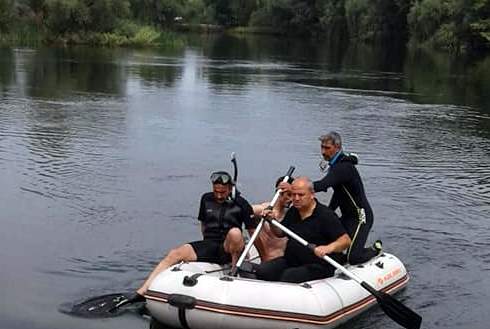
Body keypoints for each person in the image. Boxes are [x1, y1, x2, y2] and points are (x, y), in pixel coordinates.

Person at [135, 171, 254, 298]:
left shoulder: (242, 204)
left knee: (235, 233)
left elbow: (252, 231)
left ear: (230, 189)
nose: (219, 196)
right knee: (174, 253)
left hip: (229, 248)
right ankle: (143, 290)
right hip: (210, 244)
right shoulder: (206, 199)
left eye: (223, 192)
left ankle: (234, 274)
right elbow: (203, 224)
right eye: (216, 192)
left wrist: (247, 253)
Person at [256, 177, 351, 283]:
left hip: (319, 264)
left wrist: (328, 248)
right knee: (263, 270)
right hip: (292, 260)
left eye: (301, 195)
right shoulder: (294, 211)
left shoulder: (325, 215)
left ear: (312, 194)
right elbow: (280, 233)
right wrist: (271, 221)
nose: (296, 198)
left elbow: (345, 240)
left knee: (288, 276)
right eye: (293, 194)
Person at [313, 131, 381, 264]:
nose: (323, 151)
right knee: (324, 238)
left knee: (353, 258)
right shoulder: (336, 164)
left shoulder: (343, 167)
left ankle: (375, 249)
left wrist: (295, 186)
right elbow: (339, 193)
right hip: (347, 217)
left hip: (361, 217)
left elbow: (322, 185)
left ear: (337, 148)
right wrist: (330, 212)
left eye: (327, 148)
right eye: (322, 147)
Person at [252, 176, 294, 262]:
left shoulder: (292, 214)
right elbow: (245, 210)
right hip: (270, 260)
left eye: (293, 195)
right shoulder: (263, 209)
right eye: (289, 195)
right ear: (279, 193)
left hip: (287, 260)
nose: (291, 199)